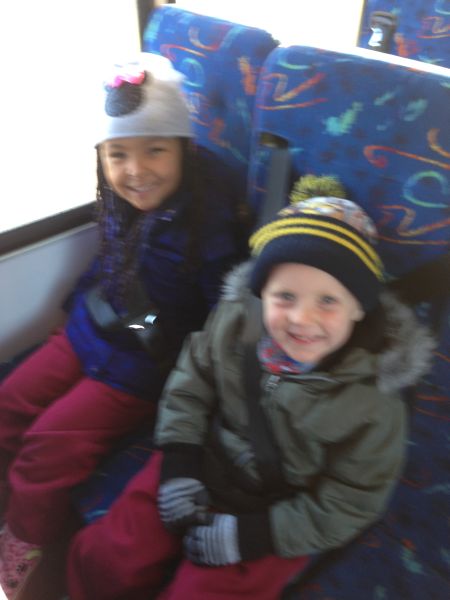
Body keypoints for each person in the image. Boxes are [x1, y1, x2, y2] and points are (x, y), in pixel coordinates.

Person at [66, 188, 434, 600]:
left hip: (279, 510)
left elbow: (352, 500)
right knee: (111, 554)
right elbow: (190, 383)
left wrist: (255, 535)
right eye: (285, 296)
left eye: (328, 300)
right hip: (203, 457)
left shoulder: (374, 401)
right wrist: (178, 461)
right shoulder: (233, 324)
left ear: (359, 308)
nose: (301, 318)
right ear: (262, 294)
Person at [0, 52, 244, 597]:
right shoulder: (120, 201)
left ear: (183, 150)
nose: (136, 171)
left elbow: (223, 315)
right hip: (90, 329)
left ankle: (26, 544)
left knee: (47, 448)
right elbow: (108, 263)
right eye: (118, 154)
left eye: (155, 149)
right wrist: (71, 308)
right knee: (10, 400)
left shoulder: (208, 224)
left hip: (139, 365)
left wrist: (207, 388)